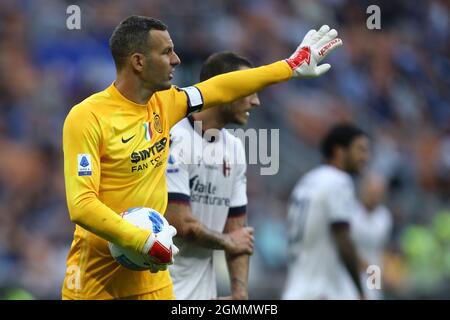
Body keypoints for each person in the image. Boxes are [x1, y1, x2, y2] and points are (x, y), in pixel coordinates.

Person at [62, 15, 342, 300]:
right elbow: (82, 206)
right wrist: (143, 240)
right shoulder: (88, 116)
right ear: (138, 62)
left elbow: (220, 87)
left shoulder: (167, 103)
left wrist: (289, 67)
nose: (177, 60)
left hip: (150, 278)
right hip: (96, 279)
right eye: (166, 51)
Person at [165, 52, 258, 300]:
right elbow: (181, 224)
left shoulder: (234, 148)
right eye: (249, 90)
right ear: (223, 88)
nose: (255, 101)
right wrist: (228, 241)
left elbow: (238, 231)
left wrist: (239, 294)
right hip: (161, 290)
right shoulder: (174, 137)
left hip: (204, 295)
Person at [282, 124, 370, 300]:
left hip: (296, 289)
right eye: (360, 149)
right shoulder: (339, 181)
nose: (365, 157)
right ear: (339, 151)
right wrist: (361, 291)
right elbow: (343, 240)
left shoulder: (307, 181)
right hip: (322, 291)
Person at [351, 172, 393, 300]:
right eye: (372, 192)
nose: (374, 196)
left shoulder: (385, 217)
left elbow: (383, 249)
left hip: (374, 274)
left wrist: (382, 276)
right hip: (351, 272)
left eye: (378, 193)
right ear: (364, 190)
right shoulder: (351, 212)